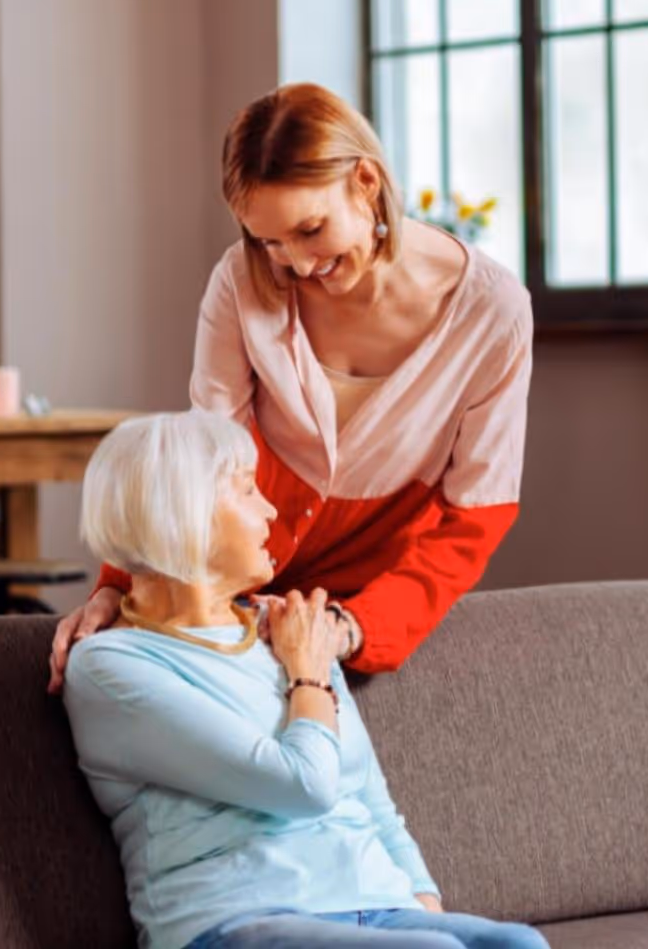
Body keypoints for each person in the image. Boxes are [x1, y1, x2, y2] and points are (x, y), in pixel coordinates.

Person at [50, 83, 532, 692]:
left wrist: (353, 627)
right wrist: (120, 588)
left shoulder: (493, 313)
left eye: (309, 230)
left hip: (355, 622)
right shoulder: (242, 282)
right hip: (227, 603)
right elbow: (198, 457)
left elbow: (475, 516)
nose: (297, 265)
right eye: (269, 241)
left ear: (365, 182)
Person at [63, 410, 549, 949]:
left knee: (516, 945)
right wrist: (310, 672)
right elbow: (303, 785)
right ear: (185, 513)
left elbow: (370, 796)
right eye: (248, 490)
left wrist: (420, 902)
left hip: (374, 910)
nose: (271, 510)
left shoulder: (288, 632)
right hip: (232, 920)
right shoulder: (112, 666)